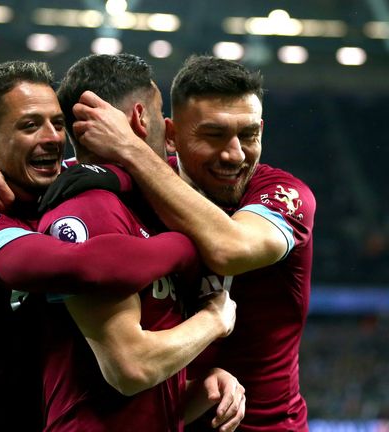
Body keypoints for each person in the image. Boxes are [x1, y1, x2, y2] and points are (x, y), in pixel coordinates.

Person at [0, 58, 244, 432]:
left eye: (57, 123)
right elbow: (85, 270)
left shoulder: (71, 185)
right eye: (30, 125)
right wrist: (193, 253)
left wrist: (198, 389)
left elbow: (111, 397)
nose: (52, 138)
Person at [63, 55, 316, 431]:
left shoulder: (283, 194)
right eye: (213, 135)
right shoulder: (139, 183)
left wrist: (132, 149)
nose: (234, 154)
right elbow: (33, 176)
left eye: (249, 135)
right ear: (171, 135)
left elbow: (230, 250)